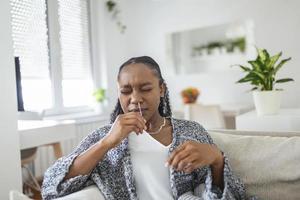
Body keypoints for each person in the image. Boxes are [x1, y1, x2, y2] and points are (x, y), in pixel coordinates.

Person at [42, 56, 246, 200]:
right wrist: (106, 143)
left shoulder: (191, 131)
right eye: (126, 91)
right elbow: (52, 186)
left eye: (146, 89)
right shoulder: (105, 137)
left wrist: (217, 159)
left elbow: (232, 194)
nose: (135, 99)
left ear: (161, 89)